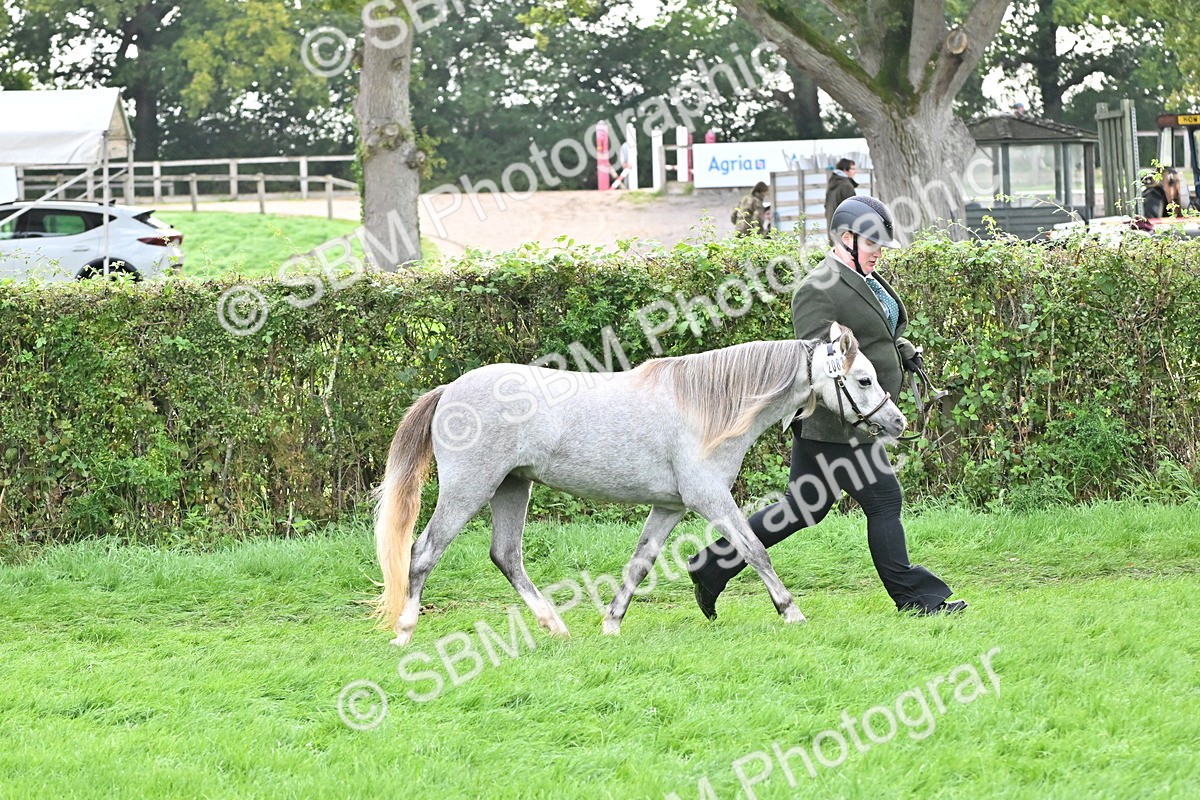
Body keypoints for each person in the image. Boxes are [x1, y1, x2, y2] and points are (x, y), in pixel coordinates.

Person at [688, 195, 967, 620]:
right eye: (872, 243)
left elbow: (878, 335)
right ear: (846, 238)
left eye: (880, 245)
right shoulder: (817, 289)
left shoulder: (867, 278)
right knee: (884, 502)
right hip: (837, 424)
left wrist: (903, 350)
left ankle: (711, 565)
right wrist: (865, 408)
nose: (878, 252)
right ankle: (917, 601)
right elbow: (824, 363)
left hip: (855, 422)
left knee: (803, 509)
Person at [824, 158, 858, 240]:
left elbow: (826, 205)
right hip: (844, 226)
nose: (854, 171)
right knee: (846, 250)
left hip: (832, 223)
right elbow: (851, 209)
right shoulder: (846, 185)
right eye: (852, 169)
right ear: (845, 170)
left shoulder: (833, 183)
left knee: (835, 249)